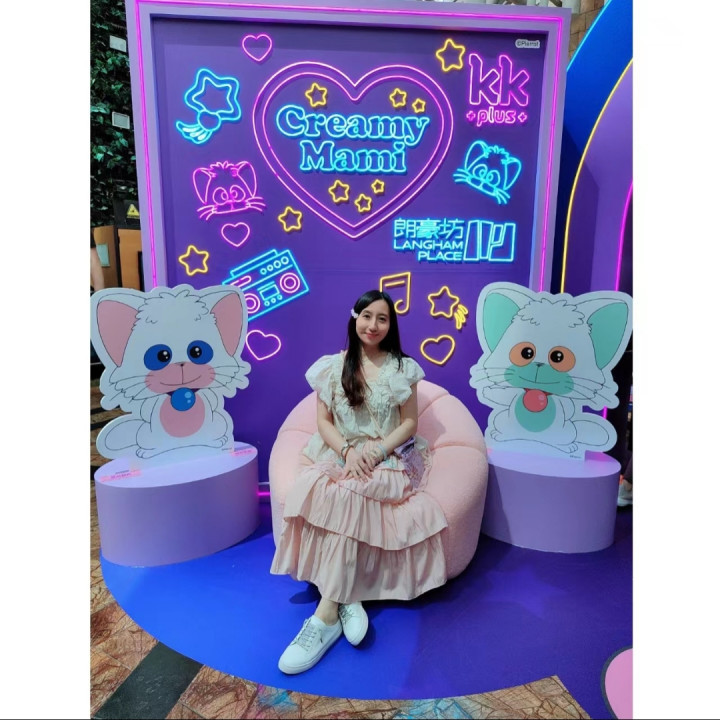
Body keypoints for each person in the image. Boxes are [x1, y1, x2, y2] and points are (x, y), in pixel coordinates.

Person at [270, 289, 448, 674]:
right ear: (355, 319)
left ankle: (325, 616)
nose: (373, 325)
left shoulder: (402, 368)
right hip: (342, 452)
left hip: (388, 456)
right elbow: (323, 423)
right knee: (329, 489)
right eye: (367, 316)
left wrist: (377, 451)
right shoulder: (333, 367)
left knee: (353, 491)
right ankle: (346, 598)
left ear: (391, 325)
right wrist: (349, 452)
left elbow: (409, 423)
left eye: (382, 318)